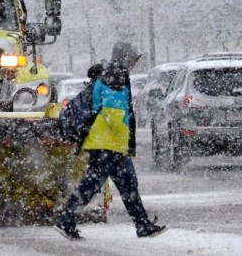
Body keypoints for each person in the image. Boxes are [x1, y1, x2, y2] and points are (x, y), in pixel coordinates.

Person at [54, 41, 167, 240]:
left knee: (128, 184)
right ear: (124, 57)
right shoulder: (115, 76)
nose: (134, 63)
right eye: (132, 59)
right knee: (92, 184)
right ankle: (66, 221)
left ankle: (143, 225)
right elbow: (112, 111)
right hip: (107, 142)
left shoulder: (109, 73)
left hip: (113, 143)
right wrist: (119, 132)